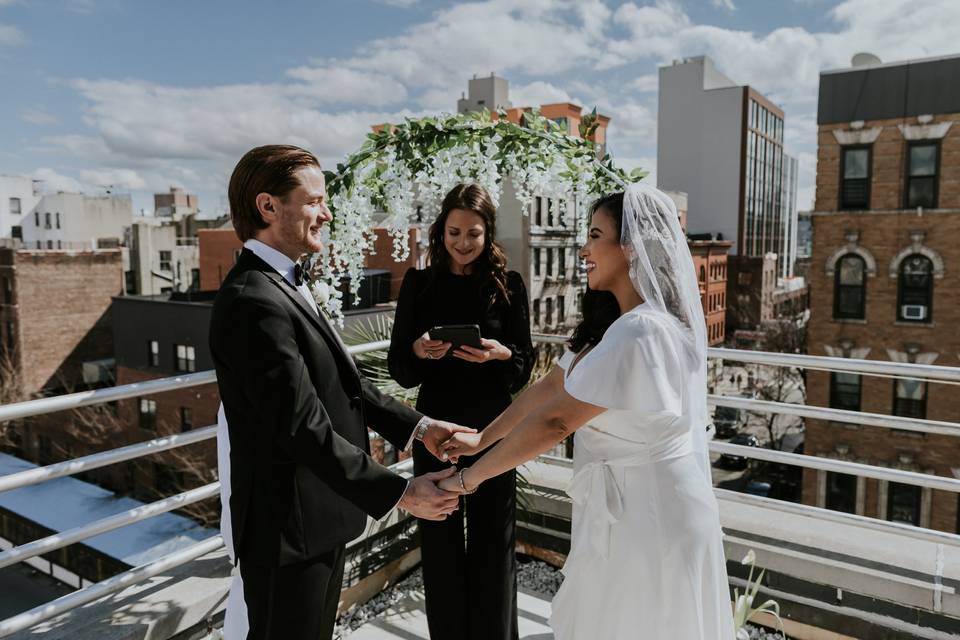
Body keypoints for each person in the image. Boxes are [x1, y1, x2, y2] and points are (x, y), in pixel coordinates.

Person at [440, 184, 735, 639]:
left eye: (595, 236)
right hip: (630, 510)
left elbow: (557, 421)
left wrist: (469, 479)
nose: (583, 250)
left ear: (630, 248)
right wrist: (482, 440)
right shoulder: (624, 327)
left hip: (649, 514)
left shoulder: (640, 332)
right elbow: (552, 386)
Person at [209, 145, 474, 640]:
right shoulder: (252, 300)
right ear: (268, 207)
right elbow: (301, 426)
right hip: (285, 530)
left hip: (319, 517)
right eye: (314, 201)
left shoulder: (284, 284)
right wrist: (400, 492)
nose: (327, 214)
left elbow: (345, 383)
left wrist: (419, 428)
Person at [388, 183, 534, 640]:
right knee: (441, 540)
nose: (463, 242)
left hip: (494, 429)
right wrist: (418, 347)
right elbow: (399, 368)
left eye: (474, 233)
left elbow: (525, 365)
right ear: (441, 231)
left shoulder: (508, 285)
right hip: (437, 430)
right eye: (454, 232)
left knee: (495, 540)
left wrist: (499, 355)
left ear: (488, 234)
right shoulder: (419, 283)